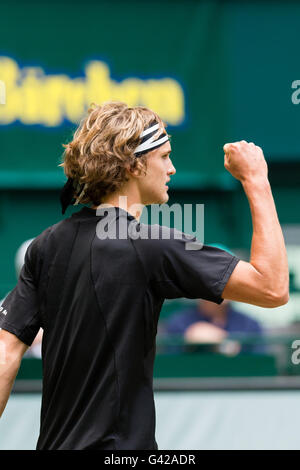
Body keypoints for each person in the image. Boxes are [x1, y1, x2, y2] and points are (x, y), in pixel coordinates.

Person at [0, 101, 289, 450]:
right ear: (134, 164)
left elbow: (6, 352)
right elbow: (272, 288)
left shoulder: (46, 245)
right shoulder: (151, 244)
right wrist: (256, 180)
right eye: (164, 156)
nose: (172, 169)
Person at [163, 298, 265, 354]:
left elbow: (261, 363)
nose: (220, 286)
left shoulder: (249, 324)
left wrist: (223, 341)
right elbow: (170, 360)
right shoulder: (179, 322)